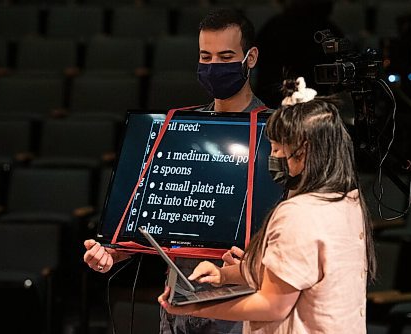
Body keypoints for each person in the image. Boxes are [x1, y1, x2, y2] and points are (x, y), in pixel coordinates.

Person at [83, 8, 266, 334]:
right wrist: (114, 252)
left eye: (225, 56)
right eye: (205, 57)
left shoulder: (277, 133)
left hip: (246, 311)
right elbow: (160, 216)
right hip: (179, 311)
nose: (213, 67)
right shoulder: (180, 128)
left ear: (250, 58)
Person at [157, 80, 377, 333]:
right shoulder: (349, 202)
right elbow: (295, 276)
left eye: (276, 148)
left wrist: (194, 306)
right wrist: (226, 275)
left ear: (303, 151)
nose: (275, 158)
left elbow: (272, 305)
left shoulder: (298, 213)